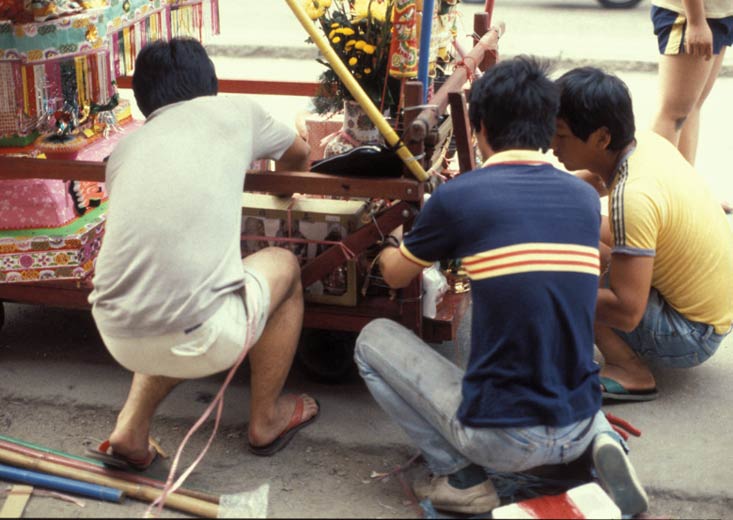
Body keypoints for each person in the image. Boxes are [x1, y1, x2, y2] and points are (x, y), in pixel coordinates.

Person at [354, 56, 648, 517]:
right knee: (537, 323)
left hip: (504, 440)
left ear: (480, 128)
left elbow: (393, 274)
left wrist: (394, 238)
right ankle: (600, 440)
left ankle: (461, 476)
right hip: (576, 421)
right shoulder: (583, 198)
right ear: (548, 126)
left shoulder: (460, 196)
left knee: (371, 340)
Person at [87, 37, 319, 465]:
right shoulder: (236, 112)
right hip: (203, 336)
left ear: (143, 102)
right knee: (285, 266)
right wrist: (284, 189)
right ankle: (266, 419)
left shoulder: (124, 150)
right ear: (211, 84)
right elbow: (300, 154)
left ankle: (130, 429)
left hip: (115, 331)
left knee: (166, 288)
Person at [552, 67, 733, 402]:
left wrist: (539, 288)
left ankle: (629, 370)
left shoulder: (632, 196)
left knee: (560, 273)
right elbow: (590, 182)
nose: (551, 146)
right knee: (569, 228)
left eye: (561, 136)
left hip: (692, 334)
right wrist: (532, 193)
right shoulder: (643, 144)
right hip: (710, 309)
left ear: (602, 138)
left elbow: (626, 311)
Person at [650, 0, 733, 166]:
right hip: (693, 15)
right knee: (673, 113)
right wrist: (696, 21)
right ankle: (655, 186)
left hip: (718, 14)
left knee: (689, 110)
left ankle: (682, 184)